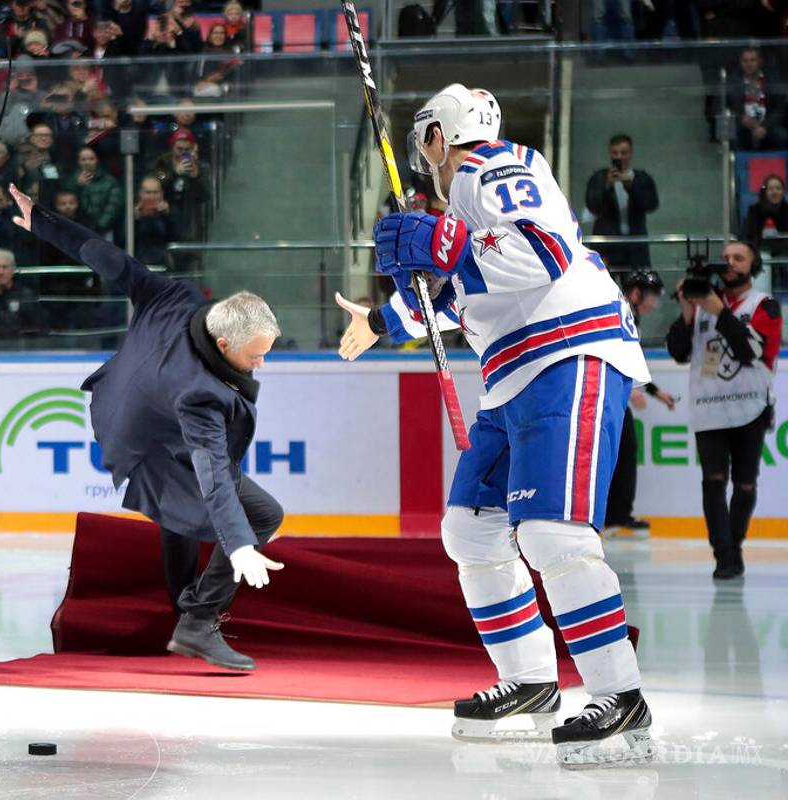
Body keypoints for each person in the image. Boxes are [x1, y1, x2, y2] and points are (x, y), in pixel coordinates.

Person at [335, 84, 653, 767]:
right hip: (515, 374)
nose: (424, 157)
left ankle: (618, 693)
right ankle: (531, 679)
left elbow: (543, 257)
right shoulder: (467, 201)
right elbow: (457, 295)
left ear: (437, 137)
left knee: (552, 534)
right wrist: (387, 317)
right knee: (471, 528)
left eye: (424, 140)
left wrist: (445, 242)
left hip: (570, 353)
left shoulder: (495, 169)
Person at [10, 182, 285, 673]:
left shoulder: (174, 297)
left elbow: (111, 260)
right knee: (262, 513)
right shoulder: (202, 393)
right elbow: (214, 475)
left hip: (127, 405)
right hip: (147, 435)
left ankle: (184, 604)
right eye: (255, 354)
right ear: (223, 342)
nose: (262, 363)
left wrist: (44, 221)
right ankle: (198, 621)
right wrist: (240, 543)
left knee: (179, 504)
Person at [666, 241, 781, 580]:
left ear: (753, 265)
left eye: (739, 257)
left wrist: (719, 311)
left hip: (750, 408)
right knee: (713, 482)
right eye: (726, 257)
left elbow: (751, 351)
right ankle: (724, 556)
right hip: (709, 408)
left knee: (745, 485)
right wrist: (689, 313)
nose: (730, 262)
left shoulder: (766, 305)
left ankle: (734, 547)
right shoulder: (704, 304)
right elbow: (678, 352)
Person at [603, 270, 677, 539]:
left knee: (624, 450)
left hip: (616, 395)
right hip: (607, 395)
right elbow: (609, 352)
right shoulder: (617, 314)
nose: (654, 303)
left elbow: (635, 364)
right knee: (616, 452)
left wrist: (657, 393)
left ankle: (616, 516)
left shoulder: (632, 318)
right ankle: (611, 515)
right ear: (636, 293)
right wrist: (626, 387)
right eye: (652, 296)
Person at [584, 134, 659, 270]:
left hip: (635, 248)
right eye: (615, 153)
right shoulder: (598, 178)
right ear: (610, 153)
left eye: (623, 153)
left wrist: (632, 186)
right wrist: (606, 185)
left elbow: (651, 204)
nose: (619, 157)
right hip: (606, 247)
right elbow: (592, 206)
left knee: (636, 290)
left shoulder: (642, 178)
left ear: (631, 153)